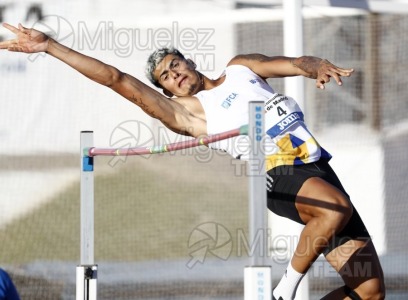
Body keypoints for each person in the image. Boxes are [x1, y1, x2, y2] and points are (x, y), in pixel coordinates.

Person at [0, 23, 385, 300]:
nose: (174, 75)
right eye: (165, 77)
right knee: (333, 207)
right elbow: (115, 79)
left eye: (174, 64)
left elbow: (296, 61)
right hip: (276, 175)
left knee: (369, 291)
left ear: (188, 61)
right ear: (164, 89)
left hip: (318, 166)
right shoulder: (187, 114)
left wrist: (316, 65)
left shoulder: (240, 68)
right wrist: (50, 46)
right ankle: (284, 292)